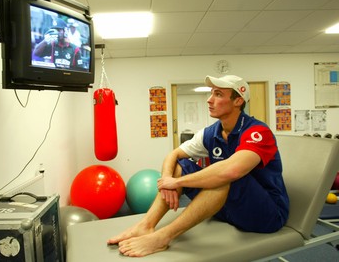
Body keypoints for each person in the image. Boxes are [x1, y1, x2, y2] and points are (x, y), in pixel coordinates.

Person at [107, 75, 289, 257]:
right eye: (211, 94)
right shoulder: (212, 132)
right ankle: (145, 226)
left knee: (224, 177)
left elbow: (231, 171)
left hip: (267, 214)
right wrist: (168, 179)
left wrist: (177, 184)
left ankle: (163, 238)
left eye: (218, 94)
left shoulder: (258, 132)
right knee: (181, 165)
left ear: (238, 101)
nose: (209, 100)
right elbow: (174, 154)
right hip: (228, 208)